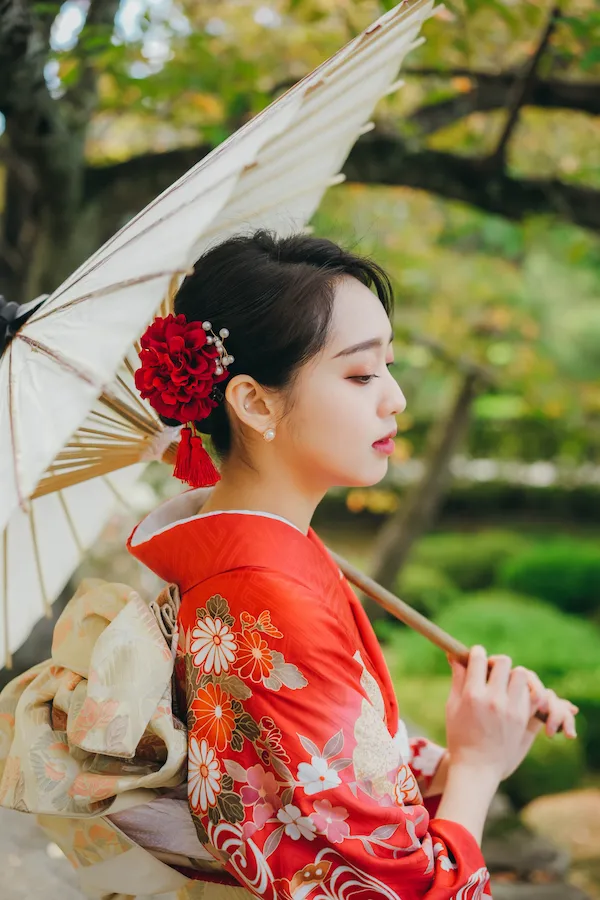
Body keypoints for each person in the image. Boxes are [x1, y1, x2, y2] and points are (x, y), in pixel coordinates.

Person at [122, 229, 577, 899]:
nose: (394, 397)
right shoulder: (264, 602)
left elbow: (330, 781)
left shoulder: (259, 561)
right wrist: (478, 769)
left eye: (388, 366)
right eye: (362, 373)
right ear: (254, 402)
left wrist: (474, 743)